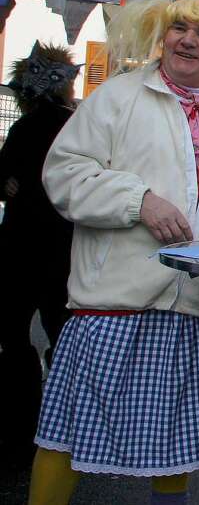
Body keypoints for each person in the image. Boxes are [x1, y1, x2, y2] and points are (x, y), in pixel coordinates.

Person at [29, 0, 199, 505]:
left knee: (178, 446)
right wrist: (138, 201)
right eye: (178, 28)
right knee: (69, 432)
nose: (187, 39)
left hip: (198, 306)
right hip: (114, 300)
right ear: (162, 35)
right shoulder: (117, 96)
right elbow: (64, 173)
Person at [0, 42, 79, 469]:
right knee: (61, 337)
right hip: (61, 249)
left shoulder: (26, 128)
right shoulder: (74, 126)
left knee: (14, 339)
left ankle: (21, 426)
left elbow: (4, 177)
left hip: (19, 247)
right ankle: (64, 426)